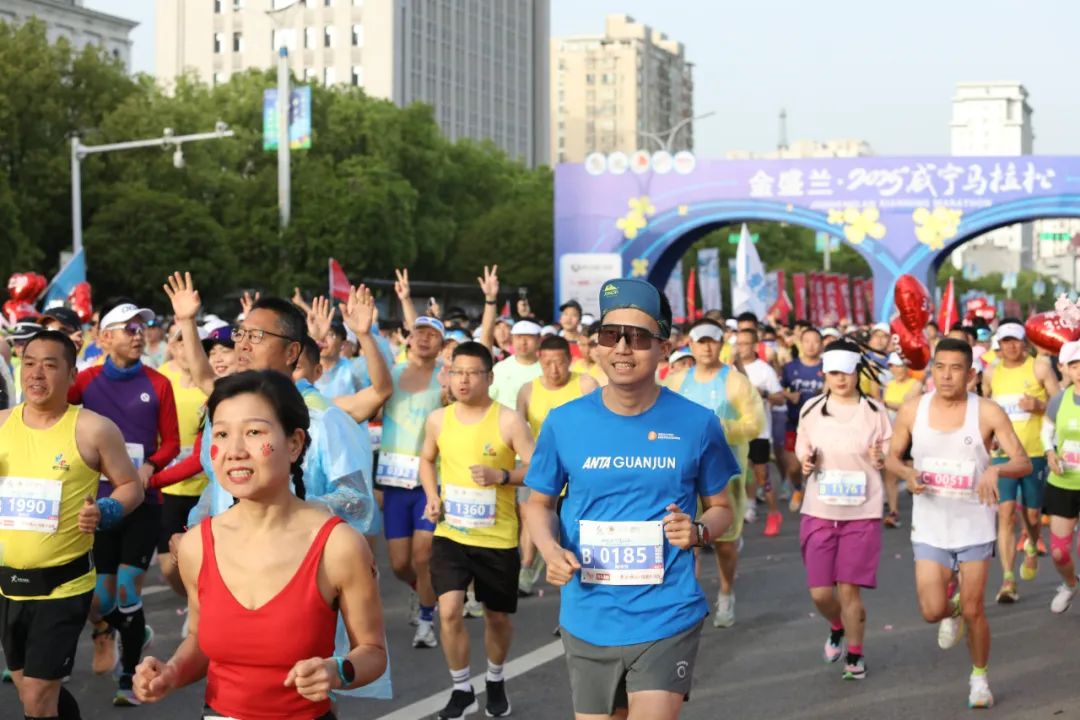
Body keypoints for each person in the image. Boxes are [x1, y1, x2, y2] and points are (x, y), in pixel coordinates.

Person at [523, 278, 740, 720]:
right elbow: (538, 504)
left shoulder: (698, 423)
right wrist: (550, 550)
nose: (623, 347)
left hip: (667, 613)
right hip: (588, 614)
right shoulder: (563, 422)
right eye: (611, 335)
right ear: (596, 348)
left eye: (638, 337)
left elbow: (722, 508)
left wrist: (698, 532)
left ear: (664, 348)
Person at [132, 370, 387, 717]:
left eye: (254, 432)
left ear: (294, 444)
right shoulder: (197, 545)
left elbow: (372, 651)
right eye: (221, 434)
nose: (235, 451)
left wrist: (338, 670)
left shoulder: (338, 545)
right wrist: (171, 672)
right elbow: (199, 642)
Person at [0, 330, 144, 720]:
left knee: (37, 696)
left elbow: (131, 486)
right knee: (31, 690)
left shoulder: (93, 428)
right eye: (29, 364)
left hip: (64, 584)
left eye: (49, 365)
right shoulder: (1, 425)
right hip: (8, 584)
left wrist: (106, 510)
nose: (36, 374)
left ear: (72, 374)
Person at [886, 338, 1031, 709]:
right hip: (931, 526)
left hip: (974, 525)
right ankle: (951, 613)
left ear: (970, 375)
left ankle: (979, 678)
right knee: (931, 610)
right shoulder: (913, 410)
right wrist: (907, 473)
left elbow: (1023, 461)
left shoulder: (987, 412)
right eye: (940, 367)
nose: (946, 375)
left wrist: (996, 470)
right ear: (932, 370)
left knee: (974, 609)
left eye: (955, 369)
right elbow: (892, 458)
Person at [67, 300, 181, 705]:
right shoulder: (86, 381)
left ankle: (130, 677)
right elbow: (58, 416)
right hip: (97, 504)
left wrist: (150, 464)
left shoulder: (159, 383)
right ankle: (135, 630)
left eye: (141, 328)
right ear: (105, 338)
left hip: (143, 503)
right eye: (128, 328)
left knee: (129, 591)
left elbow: (172, 442)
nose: (138, 335)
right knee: (100, 599)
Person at [419, 341, 535, 719]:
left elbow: (537, 469)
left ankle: (496, 680)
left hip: (497, 536)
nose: (463, 380)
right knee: (449, 610)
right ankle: (462, 689)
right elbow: (426, 459)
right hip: (451, 533)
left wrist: (501, 475)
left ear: (489, 377)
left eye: (472, 373)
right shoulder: (439, 419)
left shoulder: (508, 421)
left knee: (496, 617)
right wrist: (432, 496)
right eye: (457, 372)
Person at [795, 340, 892, 680]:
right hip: (819, 510)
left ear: (857, 372)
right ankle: (837, 625)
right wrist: (806, 461)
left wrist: (880, 457)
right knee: (821, 593)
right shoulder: (811, 409)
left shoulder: (875, 412)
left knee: (849, 588)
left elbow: (888, 452)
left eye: (847, 372)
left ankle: (855, 653)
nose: (840, 378)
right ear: (825, 372)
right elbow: (802, 446)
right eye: (834, 372)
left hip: (861, 513)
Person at [665, 318, 764, 628]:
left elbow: (755, 424)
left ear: (721, 344)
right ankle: (687, 601)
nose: (707, 348)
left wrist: (719, 428)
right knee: (685, 538)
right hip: (682, 473)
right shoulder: (676, 381)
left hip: (725, 474)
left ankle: (725, 592)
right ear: (690, 345)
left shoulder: (735, 382)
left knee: (724, 542)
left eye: (712, 341)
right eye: (701, 342)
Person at [982, 320, 1059, 603]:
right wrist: (988, 438)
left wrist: (1039, 406)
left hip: (1034, 453)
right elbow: (984, 409)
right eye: (1006, 342)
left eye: (1016, 340)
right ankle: (1008, 579)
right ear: (999, 345)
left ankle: (1031, 542)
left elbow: (1059, 403)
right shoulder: (991, 372)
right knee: (1005, 513)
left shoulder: (1039, 367)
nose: (1011, 346)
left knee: (1033, 515)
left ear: (1024, 342)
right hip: (1003, 456)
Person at [516, 335, 599, 595]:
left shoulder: (585, 384)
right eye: (547, 363)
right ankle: (526, 568)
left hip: (578, 468)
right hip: (541, 467)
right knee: (530, 515)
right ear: (539, 361)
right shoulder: (527, 390)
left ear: (570, 360)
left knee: (571, 526)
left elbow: (600, 424)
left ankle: (575, 578)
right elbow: (519, 430)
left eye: (560, 363)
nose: (554, 370)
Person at [1040, 340, 1080, 613]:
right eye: (1074, 366)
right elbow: (1047, 431)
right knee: (1058, 552)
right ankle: (1069, 584)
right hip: (1063, 482)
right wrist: (1049, 453)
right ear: (1065, 369)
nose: (1079, 371)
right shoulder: (1059, 400)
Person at [736, 327, 787, 536]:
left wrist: (763, 393)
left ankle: (774, 513)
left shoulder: (764, 370)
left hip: (759, 431)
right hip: (737, 430)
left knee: (762, 475)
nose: (741, 348)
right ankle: (749, 506)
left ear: (755, 345)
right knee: (745, 472)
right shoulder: (729, 369)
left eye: (745, 343)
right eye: (738, 343)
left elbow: (780, 399)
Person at [782, 327, 826, 512]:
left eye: (815, 341)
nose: (811, 345)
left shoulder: (827, 367)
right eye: (806, 341)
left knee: (820, 463)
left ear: (821, 345)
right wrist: (789, 395)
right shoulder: (790, 368)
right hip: (794, 422)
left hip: (822, 424)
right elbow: (778, 389)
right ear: (800, 343)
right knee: (793, 467)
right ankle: (798, 488)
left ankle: (818, 496)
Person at [882, 353, 923, 528]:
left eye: (901, 366)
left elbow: (906, 406)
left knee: (916, 475)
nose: (898, 370)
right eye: (895, 366)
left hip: (912, 435)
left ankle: (923, 515)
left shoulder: (916, 384)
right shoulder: (888, 385)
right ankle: (894, 512)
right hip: (892, 434)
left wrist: (885, 403)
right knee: (890, 474)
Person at [490, 321, 543, 409]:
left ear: (539, 340)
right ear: (512, 339)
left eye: (529, 337)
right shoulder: (500, 368)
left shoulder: (548, 368)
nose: (523, 342)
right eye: (518, 337)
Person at [571, 321, 608, 387]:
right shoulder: (585, 378)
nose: (597, 349)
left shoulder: (625, 377)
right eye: (592, 344)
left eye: (603, 342)